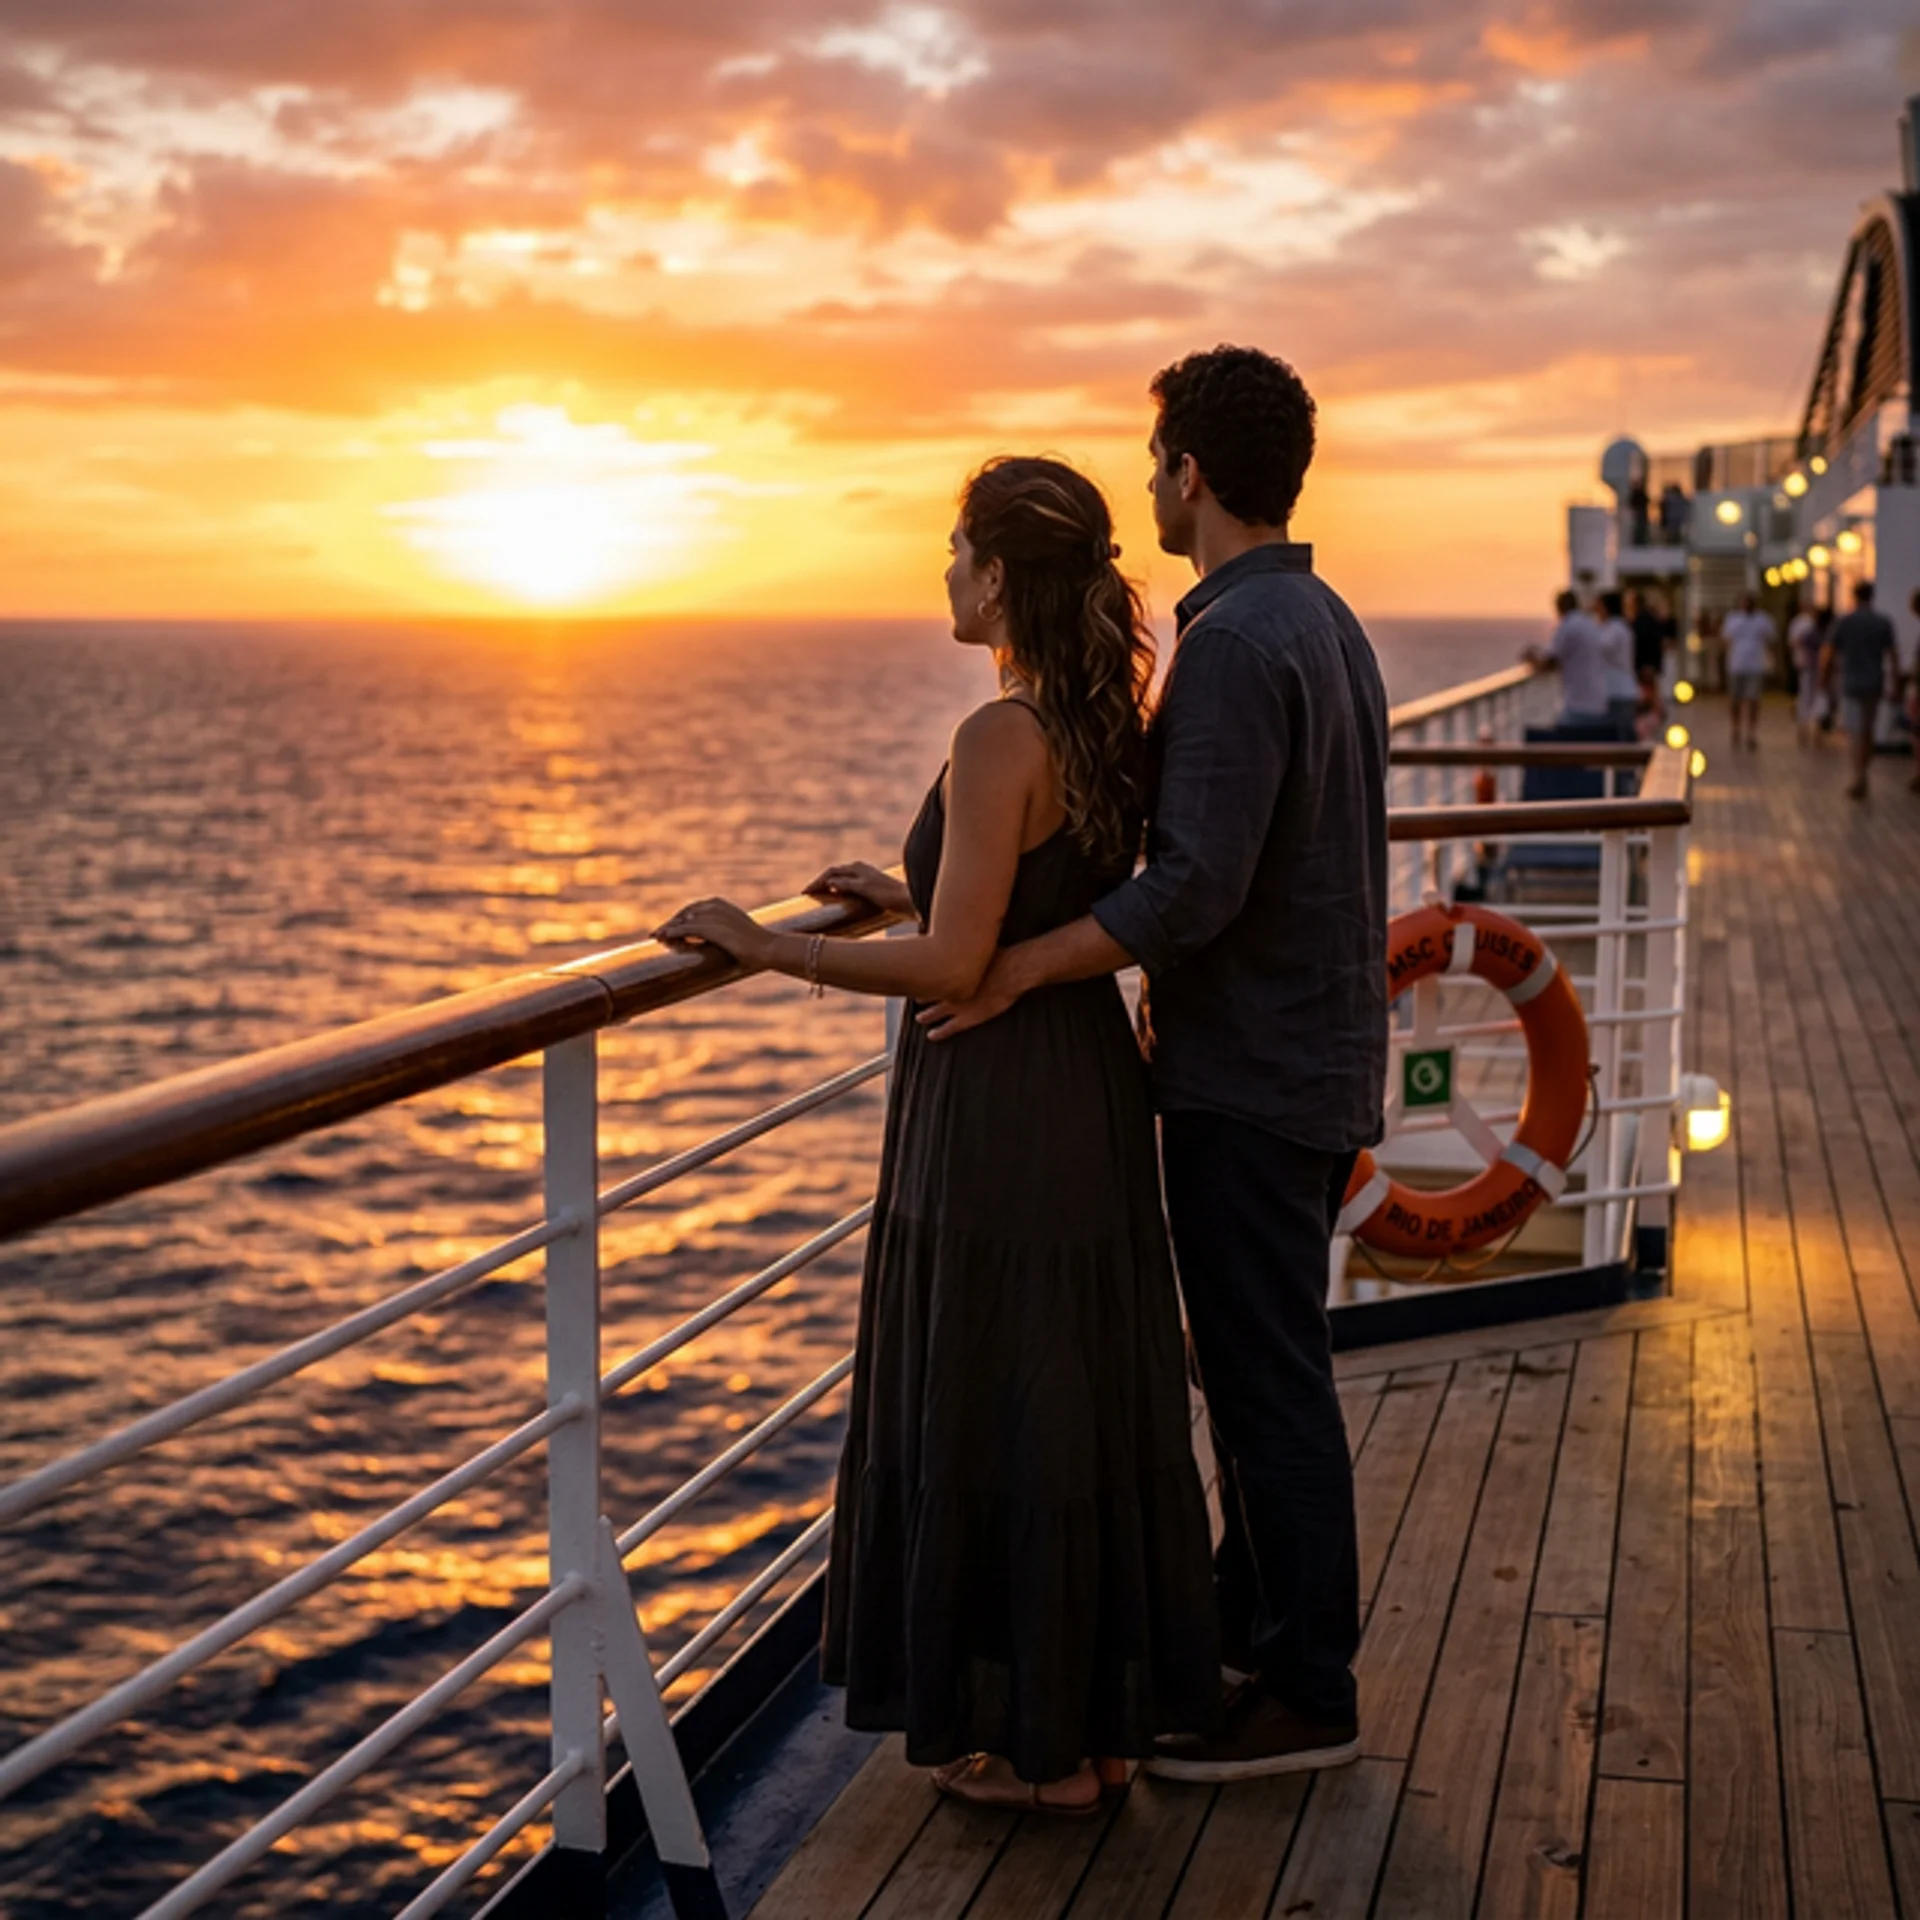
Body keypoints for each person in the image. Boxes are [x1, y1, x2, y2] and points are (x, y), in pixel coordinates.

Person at [653, 457, 1221, 1811]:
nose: (942, 569)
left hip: (996, 1109)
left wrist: (763, 948)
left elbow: (963, 962)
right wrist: (896, 881)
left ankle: (1044, 1759)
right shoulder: (1091, 723)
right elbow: (1013, 899)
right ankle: (1097, 1725)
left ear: (1001, 577)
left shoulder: (998, 736)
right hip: (1080, 1085)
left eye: (956, 547)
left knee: (1007, 1396)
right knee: (1072, 1393)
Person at [921, 345, 1388, 1780]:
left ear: (1191, 472)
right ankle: (1250, 1636)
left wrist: (1016, 964)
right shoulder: (1321, 618)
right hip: (1302, 1057)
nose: (1147, 485)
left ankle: (1306, 1689)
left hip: (1251, 1075)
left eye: (1156, 461)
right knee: (1259, 1368)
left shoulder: (1241, 644)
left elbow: (1190, 888)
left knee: (1265, 1383)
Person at [1823, 578, 1897, 800]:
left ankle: (1858, 774)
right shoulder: (1883, 622)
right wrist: (1896, 682)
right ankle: (1863, 771)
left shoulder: (1845, 621)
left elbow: (1828, 652)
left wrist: (1823, 679)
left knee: (1855, 731)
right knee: (1868, 729)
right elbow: (1892, 655)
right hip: (1874, 681)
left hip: (1851, 682)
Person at [1523, 589, 1610, 726]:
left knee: (1563, 743)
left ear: (1559, 608)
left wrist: (1530, 659)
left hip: (1577, 706)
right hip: (1598, 704)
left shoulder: (1566, 626)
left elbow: (1550, 662)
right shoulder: (1590, 625)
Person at [1721, 592, 1775, 749]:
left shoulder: (1763, 620)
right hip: (1737, 665)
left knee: (1753, 699)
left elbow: (1771, 639)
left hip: (1755, 665)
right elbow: (1726, 639)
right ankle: (1736, 727)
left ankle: (1751, 731)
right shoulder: (1733, 619)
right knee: (1735, 699)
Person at [1596, 588, 1639, 738]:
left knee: (1620, 738)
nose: (1597, 611)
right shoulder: (1619, 627)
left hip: (1618, 692)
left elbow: (1600, 648)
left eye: (1599, 606)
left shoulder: (1615, 629)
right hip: (1619, 691)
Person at [1788, 600, 1826, 747]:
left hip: (1814, 668)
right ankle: (1805, 728)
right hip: (1808, 667)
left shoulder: (1815, 628)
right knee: (1807, 697)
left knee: (1815, 698)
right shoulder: (1805, 626)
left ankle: (1814, 730)